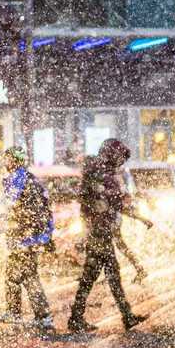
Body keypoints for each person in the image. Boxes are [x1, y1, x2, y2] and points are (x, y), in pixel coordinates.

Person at [67, 138, 148, 333]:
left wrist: (137, 217)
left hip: (100, 231)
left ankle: (78, 317)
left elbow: (107, 202)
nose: (121, 162)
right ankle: (124, 316)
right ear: (111, 155)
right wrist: (138, 217)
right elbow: (110, 203)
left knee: (95, 275)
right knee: (108, 274)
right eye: (119, 157)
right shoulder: (100, 174)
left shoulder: (98, 173)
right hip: (99, 233)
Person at [0, 147, 55, 330]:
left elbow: (10, 206)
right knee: (14, 275)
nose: (5, 163)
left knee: (27, 275)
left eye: (7, 159)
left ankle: (42, 316)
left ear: (14, 161)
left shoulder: (17, 179)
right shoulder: (31, 178)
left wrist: (2, 223)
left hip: (23, 238)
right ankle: (15, 312)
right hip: (30, 237)